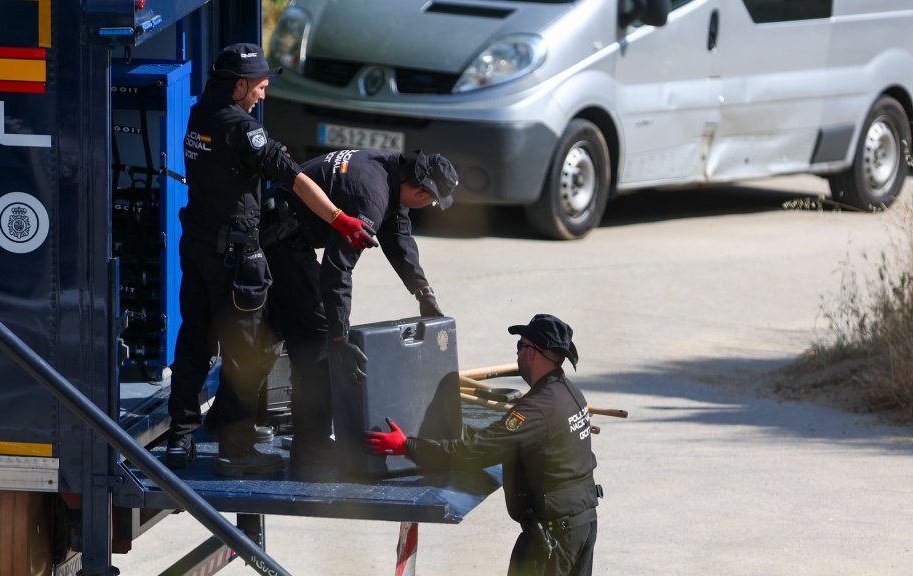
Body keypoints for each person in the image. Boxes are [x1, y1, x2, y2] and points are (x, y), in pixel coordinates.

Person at [166, 43, 377, 477]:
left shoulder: (198, 116)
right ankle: (236, 451)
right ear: (238, 85)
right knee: (248, 355)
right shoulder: (242, 130)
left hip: (198, 248)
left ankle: (180, 438)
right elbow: (296, 178)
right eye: (259, 87)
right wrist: (342, 221)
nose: (262, 95)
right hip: (234, 258)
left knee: (193, 345)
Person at [261, 149, 458, 466]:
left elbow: (398, 237)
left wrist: (423, 292)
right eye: (433, 201)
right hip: (279, 239)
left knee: (270, 330)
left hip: (284, 229)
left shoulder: (391, 172)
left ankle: (228, 419)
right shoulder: (371, 195)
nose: (430, 206)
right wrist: (339, 338)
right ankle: (311, 448)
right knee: (317, 339)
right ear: (421, 192)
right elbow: (337, 269)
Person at [367, 314, 600, 576]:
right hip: (582, 524)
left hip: (554, 536)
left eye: (520, 347)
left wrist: (407, 446)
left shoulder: (536, 409)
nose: (518, 355)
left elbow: (475, 452)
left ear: (533, 353)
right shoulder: (570, 393)